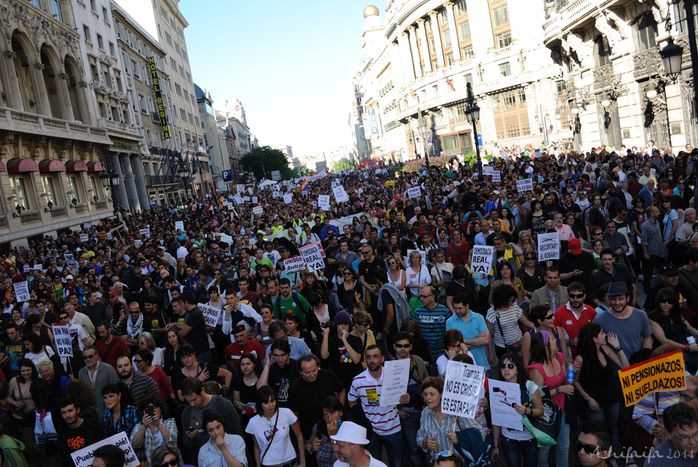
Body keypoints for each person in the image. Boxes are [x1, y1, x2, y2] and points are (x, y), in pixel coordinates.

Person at [348, 345, 409, 467]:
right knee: (373, 464)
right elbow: (351, 401)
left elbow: (402, 397)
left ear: (382, 358)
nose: (372, 360)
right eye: (368, 357)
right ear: (365, 360)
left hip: (393, 428)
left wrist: (404, 399)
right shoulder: (358, 381)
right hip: (371, 430)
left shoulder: (394, 375)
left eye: (375, 356)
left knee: (397, 463)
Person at [573, 323, 628, 454]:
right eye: (602, 333)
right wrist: (588, 399)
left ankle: (613, 457)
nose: (605, 335)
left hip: (612, 399)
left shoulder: (605, 349)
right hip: (595, 403)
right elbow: (575, 382)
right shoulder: (580, 358)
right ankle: (597, 458)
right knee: (598, 433)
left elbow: (626, 368)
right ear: (594, 338)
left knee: (613, 429)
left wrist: (618, 348)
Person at [416, 376, 486, 465]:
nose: (427, 398)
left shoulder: (457, 411)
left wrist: (460, 438)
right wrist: (425, 442)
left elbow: (481, 434)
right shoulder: (425, 413)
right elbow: (419, 437)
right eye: (425, 394)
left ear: (441, 394)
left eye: (432, 394)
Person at [489, 353, 543, 467]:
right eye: (503, 366)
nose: (506, 370)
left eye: (510, 366)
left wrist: (528, 411)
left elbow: (540, 411)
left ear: (518, 369)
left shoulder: (530, 386)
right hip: (509, 439)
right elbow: (496, 420)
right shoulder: (497, 388)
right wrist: (495, 446)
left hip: (529, 438)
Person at [528, 331, 572, 467]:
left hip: (562, 408)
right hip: (546, 415)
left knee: (564, 447)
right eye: (553, 340)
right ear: (545, 345)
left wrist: (574, 370)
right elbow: (539, 397)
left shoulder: (559, 357)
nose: (556, 341)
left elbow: (567, 380)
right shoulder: (535, 369)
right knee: (544, 451)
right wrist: (559, 390)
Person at [180, 377, 242, 463]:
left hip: (229, 457)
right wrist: (190, 438)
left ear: (202, 390)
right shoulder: (187, 413)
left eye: (194, 399)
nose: (192, 404)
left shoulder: (223, 405)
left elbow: (237, 433)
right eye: (188, 401)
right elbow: (186, 445)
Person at [289, 354, 345, 445]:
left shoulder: (328, 375)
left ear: (318, 366)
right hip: (311, 431)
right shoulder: (295, 387)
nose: (311, 375)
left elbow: (341, 390)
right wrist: (301, 438)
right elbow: (295, 414)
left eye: (314, 370)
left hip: (334, 424)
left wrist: (339, 411)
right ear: (300, 372)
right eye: (307, 372)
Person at [246, 385, 305, 467]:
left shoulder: (287, 413)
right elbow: (256, 446)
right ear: (260, 404)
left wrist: (303, 462)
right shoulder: (253, 422)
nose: (270, 405)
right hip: (268, 464)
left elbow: (299, 435)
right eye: (266, 402)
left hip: (290, 462)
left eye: (272, 401)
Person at [593, 281, 653, 358]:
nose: (617, 302)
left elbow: (647, 337)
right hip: (616, 367)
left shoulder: (641, 315)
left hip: (638, 365)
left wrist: (644, 355)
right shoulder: (600, 320)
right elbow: (596, 344)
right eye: (613, 299)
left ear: (627, 298)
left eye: (620, 299)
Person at [486, 284, 533, 359]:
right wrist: (490, 353)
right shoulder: (492, 312)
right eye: (510, 301)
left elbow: (526, 322)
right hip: (502, 347)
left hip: (519, 343)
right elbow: (488, 334)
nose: (512, 303)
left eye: (513, 300)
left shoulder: (515, 307)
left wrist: (540, 326)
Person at [320, 311, 363, 390]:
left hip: (355, 380)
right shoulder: (331, 341)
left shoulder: (356, 340)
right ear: (336, 325)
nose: (343, 326)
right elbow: (324, 356)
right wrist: (326, 334)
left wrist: (344, 340)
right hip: (339, 381)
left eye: (346, 324)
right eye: (340, 324)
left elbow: (356, 360)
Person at [445, 293, 490, 369]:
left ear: (467, 306)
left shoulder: (479, 318)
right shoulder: (449, 322)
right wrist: (477, 341)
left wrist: (463, 341)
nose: (457, 311)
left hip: (481, 364)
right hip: (462, 366)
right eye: (455, 308)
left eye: (460, 308)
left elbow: (486, 340)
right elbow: (453, 346)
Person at [554, 282, 597, 356]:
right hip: (568, 357)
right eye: (572, 296)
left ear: (584, 296)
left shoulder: (591, 312)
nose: (575, 299)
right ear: (568, 296)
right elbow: (553, 338)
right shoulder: (559, 313)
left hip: (589, 356)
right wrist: (569, 342)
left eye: (579, 296)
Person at [411, 285, 451, 363]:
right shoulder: (418, 312)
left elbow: (449, 331)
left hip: (441, 350)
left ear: (433, 297)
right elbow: (413, 331)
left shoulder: (444, 311)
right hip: (424, 351)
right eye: (420, 296)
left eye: (424, 296)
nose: (422, 299)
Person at [77, 345, 120, 417]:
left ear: (97, 355)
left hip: (108, 413)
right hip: (90, 415)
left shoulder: (109, 369)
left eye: (90, 356)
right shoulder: (81, 373)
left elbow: (116, 390)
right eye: (85, 357)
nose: (88, 359)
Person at [308, 395, 344, 467]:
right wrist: (311, 448)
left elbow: (340, 460)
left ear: (340, 412)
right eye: (325, 415)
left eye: (333, 413)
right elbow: (308, 444)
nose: (330, 418)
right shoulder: (319, 427)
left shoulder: (348, 429)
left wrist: (332, 436)